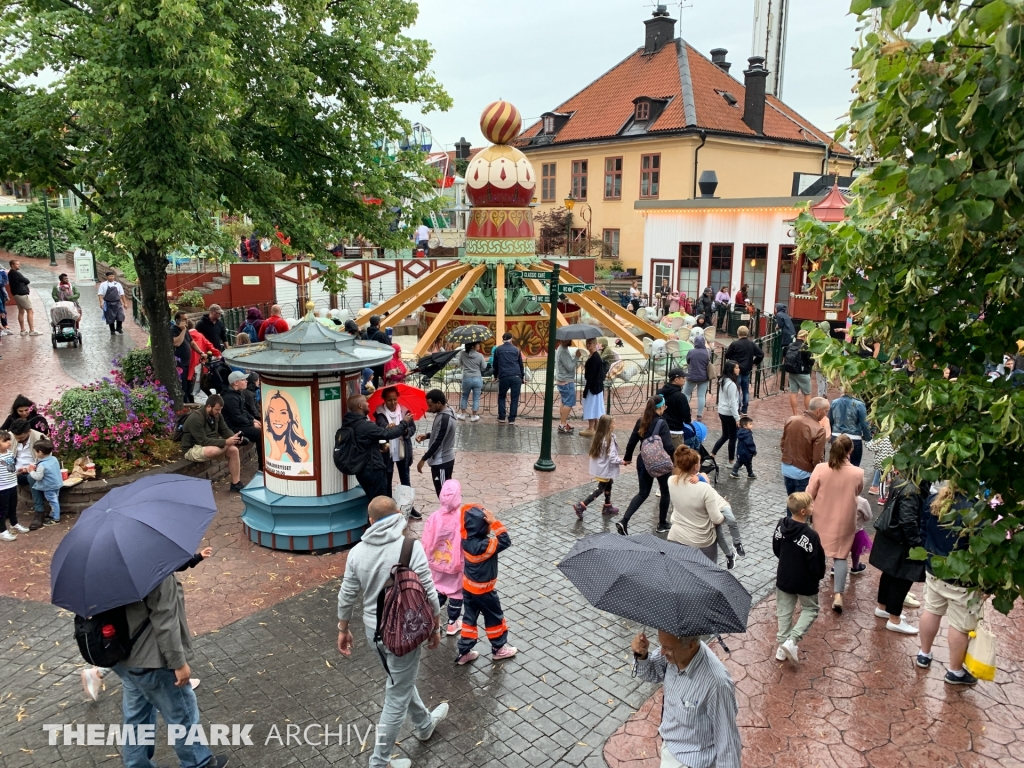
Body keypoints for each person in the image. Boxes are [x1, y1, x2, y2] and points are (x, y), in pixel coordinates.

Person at [336, 497, 447, 768]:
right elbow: (429, 591)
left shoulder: (357, 552)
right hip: (405, 631)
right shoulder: (410, 547)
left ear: (371, 522)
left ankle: (423, 725)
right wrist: (435, 625)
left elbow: (347, 594)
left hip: (374, 631)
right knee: (397, 692)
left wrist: (343, 628)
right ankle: (379, 762)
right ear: (398, 514)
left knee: (400, 681)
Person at [109, 572, 228, 768]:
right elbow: (165, 621)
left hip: (122, 658)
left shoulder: (105, 569)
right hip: (153, 660)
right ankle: (198, 763)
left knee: (137, 717)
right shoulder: (154, 570)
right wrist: (178, 663)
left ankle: (136, 764)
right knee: (182, 713)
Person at [630, 630, 742, 768]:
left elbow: (727, 741)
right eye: (662, 645)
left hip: (695, 761)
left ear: (691, 646)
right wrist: (642, 656)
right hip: (670, 745)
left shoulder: (716, 684)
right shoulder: (674, 651)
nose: (662, 653)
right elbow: (651, 673)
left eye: (668, 648)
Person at [916, 484, 982, 685]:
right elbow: (980, 546)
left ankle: (923, 654)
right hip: (961, 576)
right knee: (959, 624)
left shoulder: (934, 500)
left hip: (935, 567)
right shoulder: (976, 509)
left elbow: (923, 530)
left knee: (931, 610)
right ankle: (955, 671)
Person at [807, 435, 864, 614]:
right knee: (840, 556)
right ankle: (838, 594)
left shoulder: (820, 468)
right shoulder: (857, 473)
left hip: (822, 515)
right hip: (845, 519)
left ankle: (811, 587)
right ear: (850, 451)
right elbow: (858, 491)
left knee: (818, 552)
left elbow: (810, 492)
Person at [455, 502, 517, 664]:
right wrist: (495, 522)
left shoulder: (465, 540)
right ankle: (498, 649)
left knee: (469, 620)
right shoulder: (485, 545)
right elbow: (505, 540)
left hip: (468, 588)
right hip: (485, 592)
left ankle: (464, 652)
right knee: (494, 619)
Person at [773, 492, 827, 663]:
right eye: (811, 505)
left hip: (784, 576)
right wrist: (818, 576)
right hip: (805, 581)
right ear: (803, 511)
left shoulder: (781, 524)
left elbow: (776, 547)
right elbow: (816, 562)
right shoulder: (811, 536)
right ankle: (792, 640)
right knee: (810, 609)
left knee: (784, 612)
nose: (813, 507)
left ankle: (782, 648)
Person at [869, 472, 926, 635]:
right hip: (902, 541)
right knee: (901, 578)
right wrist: (917, 544)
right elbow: (908, 520)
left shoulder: (900, 481)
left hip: (892, 538)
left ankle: (883, 607)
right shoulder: (912, 490)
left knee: (889, 573)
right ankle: (894, 618)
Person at [617, 396, 674, 535]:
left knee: (643, 493)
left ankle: (624, 521)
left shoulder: (640, 421)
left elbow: (632, 442)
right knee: (665, 492)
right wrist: (672, 460)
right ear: (660, 407)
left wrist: (628, 457)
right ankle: (662, 523)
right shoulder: (662, 423)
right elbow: (669, 446)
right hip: (659, 462)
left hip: (643, 461)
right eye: (664, 407)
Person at [341, 394, 412, 502]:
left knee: (373, 502)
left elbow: (363, 443)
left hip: (361, 470)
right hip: (372, 470)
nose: (368, 403)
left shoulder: (349, 423)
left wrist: (378, 448)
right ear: (360, 405)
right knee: (380, 503)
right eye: (366, 401)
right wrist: (404, 423)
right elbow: (387, 433)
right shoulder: (365, 425)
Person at [422, 479, 465, 636]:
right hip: (455, 564)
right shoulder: (462, 517)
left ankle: (431, 620)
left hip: (436, 562)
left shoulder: (434, 517)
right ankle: (452, 623)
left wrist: (426, 558)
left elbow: (426, 541)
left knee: (438, 589)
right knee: (455, 593)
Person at [666, 447, 724, 562]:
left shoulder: (671, 481)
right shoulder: (705, 488)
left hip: (676, 536)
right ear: (696, 466)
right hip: (701, 541)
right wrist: (725, 511)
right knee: (707, 575)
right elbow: (716, 519)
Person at [181, 395, 244, 492]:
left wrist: (234, 437)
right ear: (209, 406)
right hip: (193, 448)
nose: (219, 412)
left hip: (212, 444)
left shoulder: (217, 415)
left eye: (220, 409)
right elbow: (203, 441)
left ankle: (236, 484)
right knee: (213, 450)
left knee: (234, 450)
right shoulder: (195, 418)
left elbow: (225, 430)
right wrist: (227, 442)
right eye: (217, 409)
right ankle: (226, 445)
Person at [374, 386, 418, 517]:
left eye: (394, 399)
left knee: (406, 479)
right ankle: (389, 509)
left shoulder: (405, 411)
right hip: (387, 452)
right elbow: (381, 427)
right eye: (389, 400)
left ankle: (409, 507)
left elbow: (412, 428)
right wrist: (388, 427)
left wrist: (405, 431)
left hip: (403, 450)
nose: (392, 403)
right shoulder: (380, 413)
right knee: (387, 480)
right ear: (384, 400)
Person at [573, 414, 621, 519]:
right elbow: (612, 457)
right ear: (609, 426)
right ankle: (582, 505)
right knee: (600, 489)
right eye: (613, 424)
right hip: (605, 469)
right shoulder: (608, 439)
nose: (615, 425)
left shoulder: (599, 436)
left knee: (609, 483)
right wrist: (622, 462)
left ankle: (607, 506)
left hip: (602, 468)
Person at [780, 396, 829, 497]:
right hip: (803, 473)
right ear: (819, 410)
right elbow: (817, 458)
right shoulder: (819, 430)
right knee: (802, 506)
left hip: (786, 468)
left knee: (792, 503)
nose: (826, 414)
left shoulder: (791, 420)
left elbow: (782, 444)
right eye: (826, 411)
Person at [415, 389, 456, 498]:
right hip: (442, 461)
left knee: (444, 496)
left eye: (431, 405)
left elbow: (438, 442)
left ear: (438, 403)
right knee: (442, 494)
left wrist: (423, 459)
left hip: (442, 462)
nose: (429, 408)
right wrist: (427, 436)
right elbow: (439, 433)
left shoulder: (445, 418)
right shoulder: (445, 412)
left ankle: (448, 515)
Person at [222, 371, 263, 468]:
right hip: (233, 427)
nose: (246, 382)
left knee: (263, 429)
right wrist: (252, 424)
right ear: (236, 383)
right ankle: (262, 466)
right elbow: (237, 418)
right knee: (260, 435)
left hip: (241, 424)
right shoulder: (229, 398)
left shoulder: (238, 394)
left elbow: (245, 410)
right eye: (243, 380)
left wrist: (253, 420)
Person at [10, 420, 46, 529]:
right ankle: (5, 511)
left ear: (29, 432)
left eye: (21, 438)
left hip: (33, 471)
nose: (18, 440)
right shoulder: (11, 436)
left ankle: (39, 512)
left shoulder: (41, 438)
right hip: (15, 471)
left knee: (32, 478)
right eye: (16, 438)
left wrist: (28, 469)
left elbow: (44, 462)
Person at [724, 326, 764, 415]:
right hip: (747, 369)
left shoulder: (734, 344)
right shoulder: (751, 344)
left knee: (736, 389)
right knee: (745, 389)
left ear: (738, 333)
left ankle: (737, 408)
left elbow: (727, 355)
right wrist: (754, 363)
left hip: (736, 369)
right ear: (747, 333)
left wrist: (733, 360)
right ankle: (744, 409)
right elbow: (761, 354)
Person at [829, 389, 872, 466]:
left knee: (836, 465)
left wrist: (831, 435)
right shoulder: (859, 404)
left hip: (836, 436)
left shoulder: (834, 403)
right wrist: (867, 437)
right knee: (854, 466)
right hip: (854, 438)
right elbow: (865, 424)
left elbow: (830, 421)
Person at [0, 430, 28, 541]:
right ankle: (2, 531)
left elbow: (10, 468)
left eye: (9, 440)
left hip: (12, 484)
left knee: (13, 506)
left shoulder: (10, 453)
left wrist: (18, 471)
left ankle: (14, 523)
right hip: (2, 488)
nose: (9, 442)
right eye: (5, 441)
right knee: (2, 510)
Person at [27, 438, 62, 526]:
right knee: (55, 499)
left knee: (53, 502)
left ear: (40, 452)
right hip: (57, 483)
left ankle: (56, 518)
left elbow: (38, 477)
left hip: (49, 486)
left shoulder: (42, 465)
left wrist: (31, 471)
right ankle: (52, 514)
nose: (35, 453)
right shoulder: (54, 459)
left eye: (36, 451)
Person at [711, 360, 740, 463]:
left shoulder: (723, 380)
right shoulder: (731, 384)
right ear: (731, 370)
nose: (738, 369)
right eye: (736, 368)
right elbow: (733, 403)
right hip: (729, 413)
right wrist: (737, 418)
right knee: (733, 438)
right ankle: (731, 461)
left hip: (722, 411)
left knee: (725, 435)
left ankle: (712, 454)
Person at [492, 332, 525, 425]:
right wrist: (522, 377)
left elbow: (495, 365)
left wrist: (495, 376)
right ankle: (512, 419)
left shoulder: (498, 350)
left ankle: (502, 417)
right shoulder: (517, 350)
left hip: (504, 376)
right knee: (514, 398)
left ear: (503, 339)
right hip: (516, 376)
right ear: (511, 339)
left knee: (502, 396)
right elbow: (520, 364)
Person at [658, 368, 693, 450]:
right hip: (675, 432)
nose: (685, 380)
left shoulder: (660, 392)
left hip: (660, 429)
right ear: (676, 379)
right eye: (683, 378)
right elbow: (686, 416)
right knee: (677, 459)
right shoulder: (680, 397)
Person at [784, 329, 814, 416]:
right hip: (803, 373)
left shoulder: (790, 345)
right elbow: (810, 362)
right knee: (807, 394)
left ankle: (795, 414)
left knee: (793, 393)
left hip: (792, 372)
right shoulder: (805, 347)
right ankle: (809, 414)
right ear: (805, 337)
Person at [7, 259, 39, 335]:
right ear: (12, 265)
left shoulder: (10, 273)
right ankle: (32, 330)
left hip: (16, 294)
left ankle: (23, 330)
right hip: (21, 294)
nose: (19, 265)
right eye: (17, 264)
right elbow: (26, 280)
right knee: (30, 310)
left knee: (21, 311)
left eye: (19, 264)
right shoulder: (16, 273)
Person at [555, 339, 581, 434]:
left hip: (562, 380)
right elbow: (569, 367)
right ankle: (562, 424)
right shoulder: (563, 351)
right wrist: (576, 357)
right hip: (567, 381)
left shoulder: (561, 349)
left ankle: (563, 423)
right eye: (567, 339)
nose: (569, 340)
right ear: (563, 340)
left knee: (564, 402)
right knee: (569, 403)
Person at [580, 337, 605, 436]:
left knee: (591, 406)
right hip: (596, 386)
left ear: (594, 344)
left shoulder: (595, 357)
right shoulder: (593, 356)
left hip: (593, 386)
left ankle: (591, 427)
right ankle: (594, 425)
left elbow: (591, 375)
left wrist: (586, 389)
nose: (588, 345)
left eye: (590, 343)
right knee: (594, 405)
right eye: (587, 343)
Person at [683, 334, 711, 421]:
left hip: (692, 376)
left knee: (686, 394)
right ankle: (699, 415)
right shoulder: (707, 351)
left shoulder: (691, 351)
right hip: (704, 377)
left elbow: (688, 360)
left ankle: (683, 411)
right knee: (701, 396)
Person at [456, 341, 486, 421]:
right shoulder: (480, 355)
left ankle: (462, 414)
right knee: (476, 398)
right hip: (477, 378)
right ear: (473, 346)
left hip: (466, 378)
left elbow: (460, 363)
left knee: (464, 396)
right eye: (478, 344)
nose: (479, 345)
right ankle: (473, 416)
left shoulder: (462, 354)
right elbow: (484, 367)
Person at [96, 270, 127, 336]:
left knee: (120, 315)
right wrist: (101, 302)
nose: (111, 277)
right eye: (110, 276)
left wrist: (125, 303)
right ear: (107, 277)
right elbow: (100, 294)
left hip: (117, 303)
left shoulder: (118, 284)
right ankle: (112, 330)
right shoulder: (103, 285)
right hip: (108, 303)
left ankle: (119, 328)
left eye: (112, 276)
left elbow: (122, 294)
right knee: (110, 318)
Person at [365, 315, 391, 388]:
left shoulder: (364, 335)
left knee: (372, 386)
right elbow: (389, 346)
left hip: (369, 363)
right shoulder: (381, 335)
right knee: (386, 384)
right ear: (378, 323)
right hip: (380, 363)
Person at [731, 415, 757, 479]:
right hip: (746, 452)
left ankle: (736, 472)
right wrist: (753, 451)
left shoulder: (740, 432)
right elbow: (750, 443)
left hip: (740, 450)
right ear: (745, 426)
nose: (752, 425)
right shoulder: (747, 434)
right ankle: (749, 473)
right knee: (747, 463)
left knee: (741, 462)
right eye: (750, 424)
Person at [815, 321, 833, 396]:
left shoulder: (822, 339)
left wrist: (816, 361)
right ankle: (824, 394)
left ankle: (820, 396)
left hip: (821, 362)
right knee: (825, 379)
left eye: (820, 328)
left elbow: (818, 351)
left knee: (820, 380)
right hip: (827, 362)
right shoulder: (829, 338)